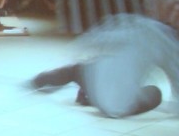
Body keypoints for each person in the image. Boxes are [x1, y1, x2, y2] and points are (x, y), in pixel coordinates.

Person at [29, 13, 179, 118]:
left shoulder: (140, 25)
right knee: (155, 92)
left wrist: (74, 50)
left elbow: (100, 39)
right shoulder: (167, 42)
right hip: (121, 106)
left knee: (75, 70)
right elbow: (174, 74)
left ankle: (38, 81)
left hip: (96, 82)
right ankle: (89, 98)